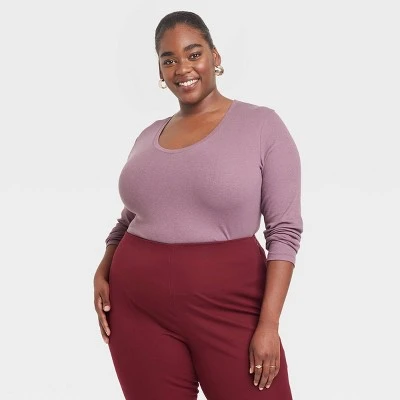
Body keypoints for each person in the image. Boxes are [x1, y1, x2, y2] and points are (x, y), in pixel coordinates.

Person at [93, 10, 303, 400]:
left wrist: (269, 325)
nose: (182, 68)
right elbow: (131, 217)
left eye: (193, 54)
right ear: (160, 71)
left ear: (215, 56)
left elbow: (284, 231)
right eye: (169, 59)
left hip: (230, 308)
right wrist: (104, 266)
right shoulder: (149, 135)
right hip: (137, 310)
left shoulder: (262, 126)